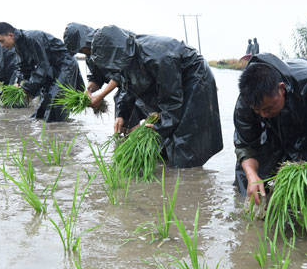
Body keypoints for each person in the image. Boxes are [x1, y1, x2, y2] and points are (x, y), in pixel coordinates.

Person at [89, 25, 223, 168]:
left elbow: (172, 103)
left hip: (195, 80)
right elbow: (128, 89)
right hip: (171, 85)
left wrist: (157, 127)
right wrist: (122, 115)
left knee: (184, 146)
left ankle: (190, 177)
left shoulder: (159, 57)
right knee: (164, 150)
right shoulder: (125, 61)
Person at [233, 54, 307, 217]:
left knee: (306, 171)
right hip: (279, 113)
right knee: (255, 175)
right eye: (258, 111)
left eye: (268, 108)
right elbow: (245, 144)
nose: (263, 115)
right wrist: (252, 176)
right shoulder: (246, 101)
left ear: (281, 88)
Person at [0, 22, 83, 122]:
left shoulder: (32, 37)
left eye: (2, 41)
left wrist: (27, 88)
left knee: (55, 103)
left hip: (65, 65)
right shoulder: (18, 45)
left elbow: (43, 66)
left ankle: (62, 133)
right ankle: (56, 130)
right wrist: (19, 84)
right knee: (41, 111)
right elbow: (24, 68)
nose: (1, 45)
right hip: (51, 69)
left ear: (10, 35)